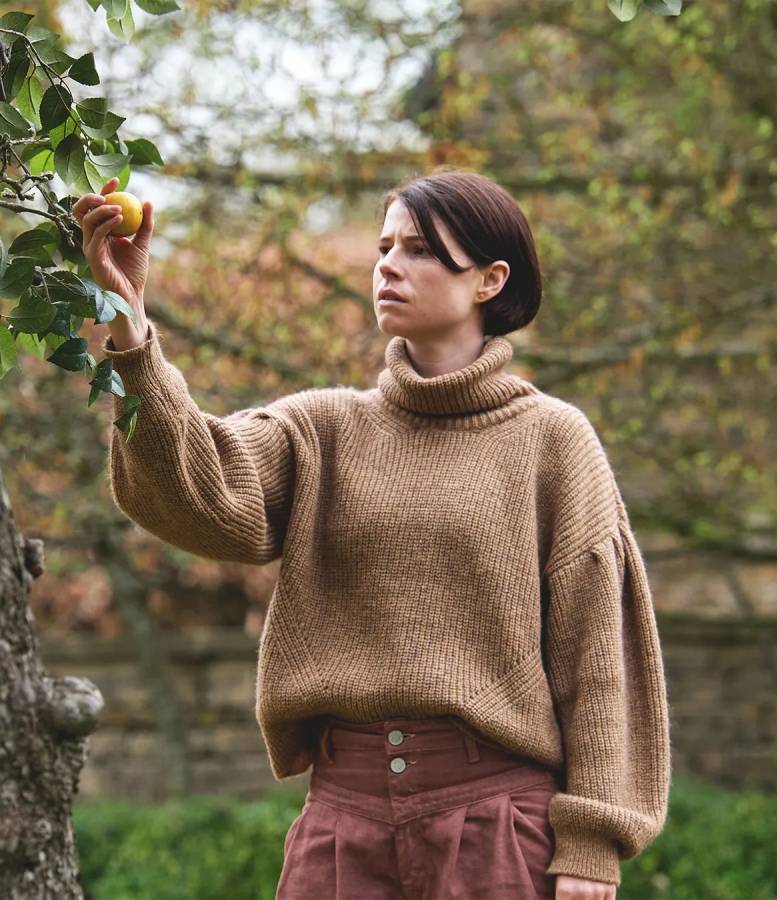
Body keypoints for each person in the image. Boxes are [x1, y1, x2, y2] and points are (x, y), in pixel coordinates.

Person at [71, 167, 670, 900]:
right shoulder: (323, 428)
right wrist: (129, 325)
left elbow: (600, 660)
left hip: (499, 832)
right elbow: (195, 490)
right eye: (384, 247)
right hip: (341, 830)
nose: (388, 263)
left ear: (489, 279)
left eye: (418, 248)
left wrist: (592, 846)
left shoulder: (553, 441)